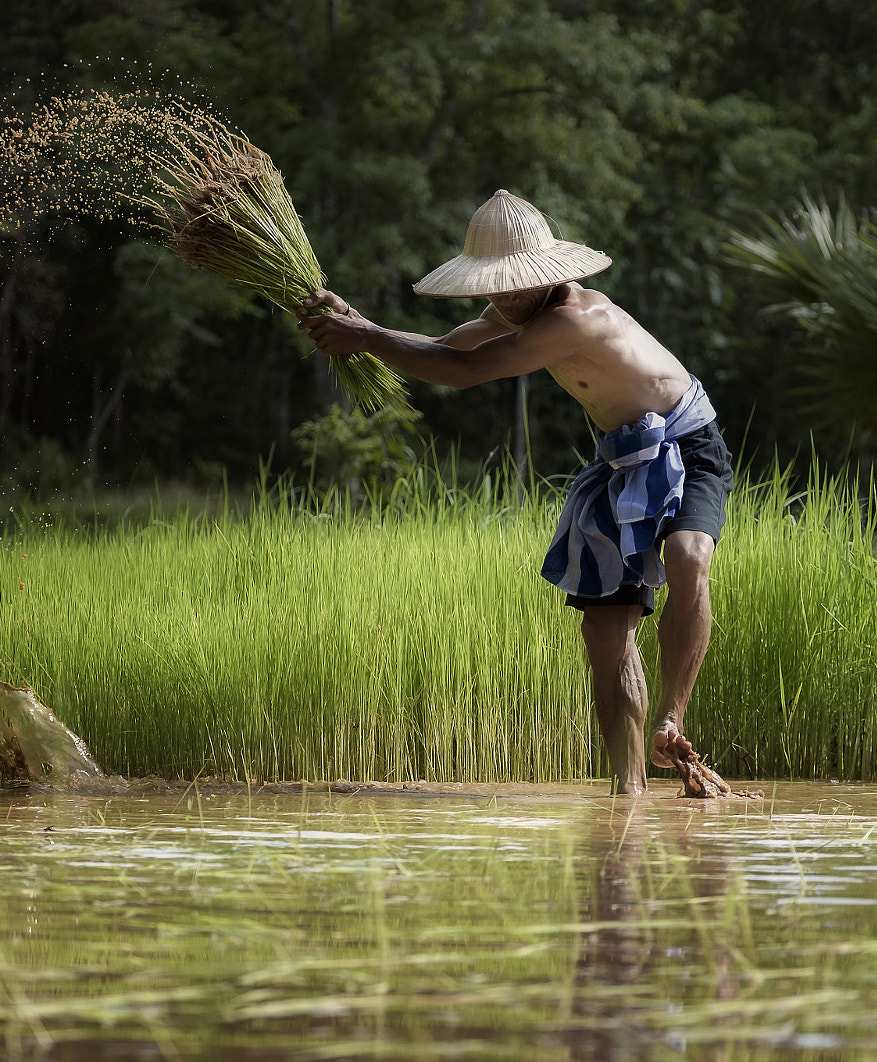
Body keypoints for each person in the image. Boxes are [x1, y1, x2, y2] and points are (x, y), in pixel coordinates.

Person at [297, 189, 733, 795]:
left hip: (687, 446)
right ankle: (627, 794)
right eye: (495, 285)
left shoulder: (576, 318)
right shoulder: (515, 313)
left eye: (513, 283)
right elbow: (449, 348)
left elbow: (463, 374)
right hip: (620, 460)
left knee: (688, 556)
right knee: (605, 632)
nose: (503, 296)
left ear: (547, 275)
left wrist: (364, 337)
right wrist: (361, 325)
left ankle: (672, 717)